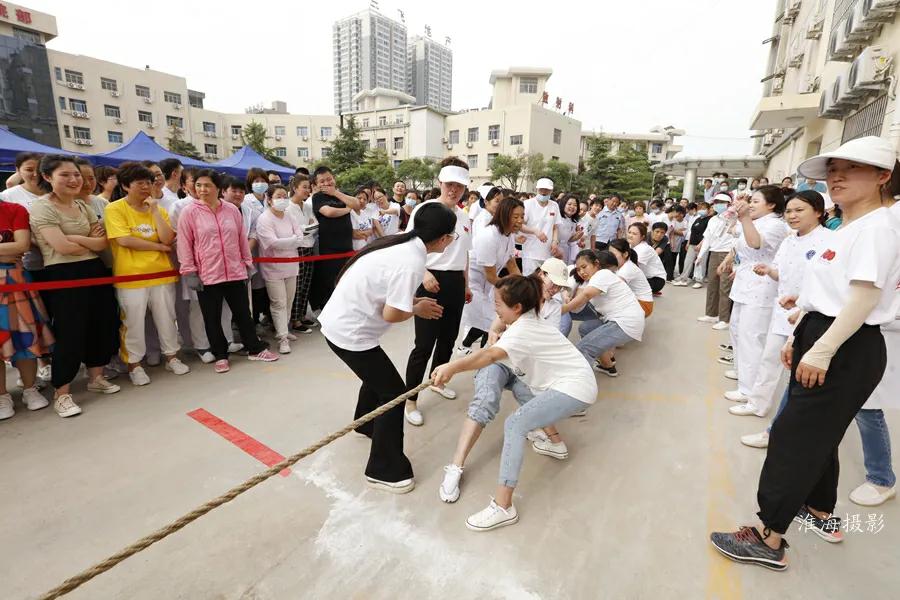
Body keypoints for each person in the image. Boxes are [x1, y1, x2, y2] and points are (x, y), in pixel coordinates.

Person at [711, 135, 900, 571]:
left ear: (882, 176)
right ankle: (818, 511)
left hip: (845, 342)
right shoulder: (850, 226)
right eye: (833, 169)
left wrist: (822, 350)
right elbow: (829, 293)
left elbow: (863, 298)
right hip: (823, 333)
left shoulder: (876, 228)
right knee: (820, 436)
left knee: (791, 439)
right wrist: (801, 338)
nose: (837, 177)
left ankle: (768, 538)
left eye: (851, 168)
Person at [432, 273, 596, 530]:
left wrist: (452, 367)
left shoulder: (521, 330)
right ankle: (554, 443)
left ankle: (503, 506)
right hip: (573, 382)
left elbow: (488, 357)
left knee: (514, 425)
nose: (495, 309)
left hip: (573, 387)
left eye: (498, 304)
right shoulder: (528, 320)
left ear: (517, 307)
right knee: (518, 391)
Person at [319, 202, 456, 493]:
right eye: (452, 237)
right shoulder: (412, 261)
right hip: (350, 333)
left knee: (378, 379)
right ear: (444, 238)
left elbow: (386, 294)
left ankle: (366, 423)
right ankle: (384, 469)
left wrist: (413, 302)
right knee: (393, 394)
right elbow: (392, 314)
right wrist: (416, 309)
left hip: (343, 324)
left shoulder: (401, 244)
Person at [30, 155, 121, 417]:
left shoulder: (82, 205)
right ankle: (62, 393)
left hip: (94, 270)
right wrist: (83, 239)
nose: (74, 180)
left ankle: (96, 377)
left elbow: (101, 243)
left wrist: (73, 237)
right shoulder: (42, 207)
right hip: (63, 273)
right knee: (70, 332)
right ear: (47, 177)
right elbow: (61, 247)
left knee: (101, 323)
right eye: (65, 175)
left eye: (76, 175)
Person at [736, 191, 831, 425]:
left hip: (810, 312)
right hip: (783, 310)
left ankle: (792, 422)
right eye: (788, 211)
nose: (792, 215)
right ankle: (757, 404)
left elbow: (828, 282)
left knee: (800, 370)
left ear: (818, 212)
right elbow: (780, 271)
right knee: (770, 358)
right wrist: (769, 271)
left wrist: (802, 302)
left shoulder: (830, 240)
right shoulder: (789, 240)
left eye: (799, 210)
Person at [176, 169, 279, 373]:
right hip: (207, 274)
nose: (202, 189)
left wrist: (247, 264)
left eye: (207, 185)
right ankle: (221, 355)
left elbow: (241, 239)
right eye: (198, 185)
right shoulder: (189, 212)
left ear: (218, 188)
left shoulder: (231, 210)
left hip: (234, 271)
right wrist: (189, 271)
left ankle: (255, 349)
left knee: (243, 314)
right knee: (211, 317)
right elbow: (184, 244)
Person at [105, 162, 189, 386]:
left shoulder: (158, 209)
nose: (146, 187)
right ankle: (134, 364)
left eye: (149, 183)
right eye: (140, 183)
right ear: (125, 185)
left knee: (167, 318)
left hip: (161, 274)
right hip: (131, 277)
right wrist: (159, 247)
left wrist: (154, 211)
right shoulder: (114, 209)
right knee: (132, 322)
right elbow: (124, 240)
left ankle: (172, 357)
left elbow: (168, 238)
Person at [403, 158, 473, 425]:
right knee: (424, 344)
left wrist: (466, 283)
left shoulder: (464, 217)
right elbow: (409, 246)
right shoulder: (425, 209)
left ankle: (437, 381)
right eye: (449, 184)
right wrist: (424, 273)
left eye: (460, 186)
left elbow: (464, 254)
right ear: (440, 183)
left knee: (448, 339)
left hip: (455, 282)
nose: (454, 190)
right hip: (430, 280)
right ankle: (410, 399)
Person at [720, 185, 791, 407]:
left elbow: (756, 244)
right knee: (737, 330)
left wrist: (744, 218)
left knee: (752, 338)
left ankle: (749, 389)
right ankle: (742, 373)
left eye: (756, 201)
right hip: (744, 283)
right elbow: (733, 234)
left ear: (771, 205)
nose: (751, 205)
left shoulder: (775, 225)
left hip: (761, 287)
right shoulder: (756, 221)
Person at [0, 195, 54, 420]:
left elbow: (22, 245)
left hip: (15, 280)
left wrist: (14, 249)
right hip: (11, 272)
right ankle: (2, 396)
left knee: (25, 337)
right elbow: (14, 248)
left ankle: (30, 388)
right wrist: (6, 250)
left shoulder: (15, 209)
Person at [457, 198, 524, 359]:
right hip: (472, 285)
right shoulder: (489, 236)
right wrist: (516, 292)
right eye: (515, 217)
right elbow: (491, 276)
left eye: (522, 216)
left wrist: (526, 285)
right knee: (494, 322)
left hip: (487, 286)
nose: (520, 221)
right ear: (503, 215)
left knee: (487, 321)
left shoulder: (508, 235)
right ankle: (485, 361)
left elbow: (512, 264)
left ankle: (471, 349)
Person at [563, 250, 644, 377]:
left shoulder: (602, 274)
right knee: (586, 328)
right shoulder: (592, 280)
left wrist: (563, 309)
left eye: (584, 267)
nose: (582, 272)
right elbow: (580, 295)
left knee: (583, 348)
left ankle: (576, 383)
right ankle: (607, 366)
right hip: (623, 320)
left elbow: (586, 295)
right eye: (578, 269)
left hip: (625, 322)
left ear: (596, 264)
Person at [255, 184, 306, 354]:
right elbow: (272, 243)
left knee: (289, 300)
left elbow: (300, 237)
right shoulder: (264, 219)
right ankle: (282, 338)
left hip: (291, 265)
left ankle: (285, 328)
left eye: (285, 196)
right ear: (269, 200)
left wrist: (291, 240)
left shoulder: (289, 215)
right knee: (278, 303)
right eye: (278, 196)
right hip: (273, 268)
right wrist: (293, 240)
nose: (282, 199)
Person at [308, 166, 363, 312]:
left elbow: (357, 204)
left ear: (334, 178)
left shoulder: (341, 194)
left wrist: (336, 193)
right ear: (316, 184)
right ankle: (329, 314)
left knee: (346, 282)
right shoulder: (318, 197)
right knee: (330, 284)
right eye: (322, 181)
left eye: (329, 179)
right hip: (329, 249)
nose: (327, 183)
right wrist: (347, 209)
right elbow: (329, 212)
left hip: (347, 247)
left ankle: (346, 311)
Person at [696, 193, 740, 329]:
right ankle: (711, 314)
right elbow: (707, 238)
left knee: (725, 287)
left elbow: (737, 238)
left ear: (729, 204)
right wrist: (700, 255)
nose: (717, 204)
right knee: (712, 284)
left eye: (721, 202)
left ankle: (725, 319)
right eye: (715, 202)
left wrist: (734, 257)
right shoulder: (713, 219)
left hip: (727, 253)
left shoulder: (736, 218)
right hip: (714, 252)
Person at [286, 174, 318, 333]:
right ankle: (295, 320)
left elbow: (315, 224)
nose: (307, 190)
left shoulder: (307, 206)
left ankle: (302, 315)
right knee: (297, 286)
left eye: (309, 187)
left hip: (309, 246)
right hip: (296, 249)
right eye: (304, 187)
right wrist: (305, 228)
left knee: (306, 283)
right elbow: (296, 231)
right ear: (294, 188)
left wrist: (305, 229)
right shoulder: (287, 207)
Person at [521, 177, 560, 274]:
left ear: (551, 191)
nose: (543, 192)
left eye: (547, 190)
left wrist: (555, 241)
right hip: (530, 253)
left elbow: (555, 227)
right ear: (536, 189)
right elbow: (520, 225)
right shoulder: (527, 204)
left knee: (545, 281)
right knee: (530, 280)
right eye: (541, 189)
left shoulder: (554, 205)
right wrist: (534, 231)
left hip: (548, 253)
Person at [608, 238, 653, 317]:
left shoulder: (627, 269)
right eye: (609, 255)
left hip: (644, 305)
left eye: (613, 255)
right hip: (637, 301)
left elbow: (613, 288)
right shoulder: (621, 265)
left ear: (625, 254)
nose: (610, 258)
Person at [673, 202, 712, 287]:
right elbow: (692, 232)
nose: (701, 210)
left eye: (704, 208)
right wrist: (688, 242)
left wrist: (701, 244)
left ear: (709, 210)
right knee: (687, 261)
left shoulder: (710, 220)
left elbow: (708, 234)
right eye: (700, 208)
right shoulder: (698, 219)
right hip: (692, 243)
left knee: (700, 263)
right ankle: (683, 279)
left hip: (703, 245)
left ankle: (699, 280)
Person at [626, 222, 666, 294]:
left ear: (642, 237)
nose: (630, 235)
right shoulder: (629, 245)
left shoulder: (644, 249)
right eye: (629, 232)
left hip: (656, 280)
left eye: (634, 234)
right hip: (644, 277)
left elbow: (632, 268)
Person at [555, 194, 583, 263]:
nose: (572, 207)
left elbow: (568, 240)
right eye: (569, 204)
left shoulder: (573, 221)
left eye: (575, 205)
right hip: (554, 249)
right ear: (563, 204)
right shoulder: (557, 217)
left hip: (565, 250)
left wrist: (576, 237)